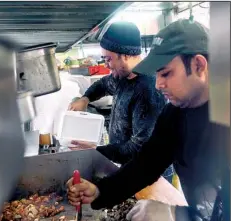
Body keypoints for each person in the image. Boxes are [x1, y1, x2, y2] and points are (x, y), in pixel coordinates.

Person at [66, 19, 230, 221]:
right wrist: (101, 191)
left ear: (198, 65)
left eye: (166, 73)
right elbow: (146, 164)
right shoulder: (175, 114)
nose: (159, 84)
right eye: (157, 74)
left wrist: (179, 216)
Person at [68, 21, 174, 182]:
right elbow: (103, 84)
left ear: (124, 55)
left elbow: (139, 148)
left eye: (108, 59)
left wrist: (97, 150)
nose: (106, 65)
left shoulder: (148, 89)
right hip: (130, 168)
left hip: (152, 176)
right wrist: (85, 98)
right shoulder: (122, 76)